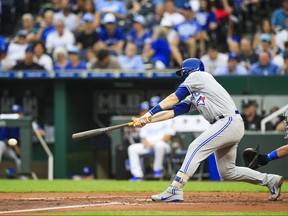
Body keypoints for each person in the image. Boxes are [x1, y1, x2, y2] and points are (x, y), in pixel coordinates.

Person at [132, 58, 283, 202]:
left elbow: (173, 98)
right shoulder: (197, 93)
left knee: (195, 147)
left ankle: (175, 189)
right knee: (227, 172)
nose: (182, 75)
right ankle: (271, 180)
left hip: (227, 121)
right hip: (228, 125)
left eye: (183, 72)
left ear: (190, 70)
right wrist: (146, 120)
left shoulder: (199, 75)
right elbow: (172, 112)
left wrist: (149, 113)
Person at [128, 96, 175, 181]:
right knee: (132, 148)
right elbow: (143, 136)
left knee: (159, 145)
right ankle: (137, 174)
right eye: (152, 106)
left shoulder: (168, 117)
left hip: (163, 145)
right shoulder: (147, 119)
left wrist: (156, 143)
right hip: (149, 146)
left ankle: (158, 169)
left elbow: (168, 136)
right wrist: (147, 143)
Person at [0, 105, 23, 175]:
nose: (15, 115)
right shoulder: (9, 123)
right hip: (5, 146)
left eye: (17, 113)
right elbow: (3, 138)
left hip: (12, 149)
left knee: (19, 160)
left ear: (21, 114)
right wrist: (16, 147)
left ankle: (23, 177)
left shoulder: (24, 124)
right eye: (13, 113)